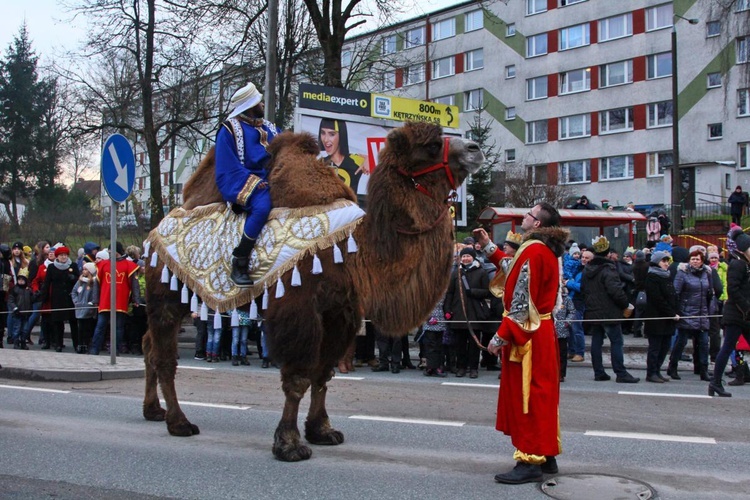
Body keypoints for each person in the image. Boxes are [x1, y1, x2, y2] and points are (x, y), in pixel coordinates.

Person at [477, 202, 567, 485]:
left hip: (529, 333)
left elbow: (521, 301)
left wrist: (500, 336)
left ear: (538, 224)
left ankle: (530, 460)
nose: (524, 217)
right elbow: (512, 269)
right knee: (541, 396)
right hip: (539, 331)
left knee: (529, 397)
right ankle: (546, 454)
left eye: (529, 214)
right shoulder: (539, 249)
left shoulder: (534, 250)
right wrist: (489, 247)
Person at [215, 81, 280, 287]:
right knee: (262, 206)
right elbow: (227, 166)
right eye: (259, 101)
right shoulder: (229, 130)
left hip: (277, 178)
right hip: (251, 181)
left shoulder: (271, 128)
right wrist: (255, 183)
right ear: (252, 105)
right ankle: (240, 259)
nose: (262, 104)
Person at [582, 236, 640, 384]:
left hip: (593, 310)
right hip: (609, 311)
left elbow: (584, 290)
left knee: (596, 341)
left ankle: (599, 371)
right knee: (616, 341)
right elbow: (615, 291)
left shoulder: (587, 269)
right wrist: (625, 304)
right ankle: (620, 372)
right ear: (608, 253)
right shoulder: (609, 268)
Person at [710, 229, 750, 397]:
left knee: (726, 348)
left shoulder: (745, 264)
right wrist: (747, 307)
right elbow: (732, 290)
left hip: (743, 314)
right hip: (736, 314)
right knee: (726, 348)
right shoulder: (738, 264)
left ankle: (715, 383)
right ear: (742, 249)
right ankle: (715, 383)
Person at [666, 249, 715, 381]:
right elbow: (676, 292)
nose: (695, 261)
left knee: (704, 343)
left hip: (702, 313)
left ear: (702, 261)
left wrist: (710, 309)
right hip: (686, 312)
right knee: (681, 341)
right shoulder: (683, 273)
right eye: (692, 259)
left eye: (697, 259)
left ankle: (703, 369)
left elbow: (710, 292)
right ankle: (672, 366)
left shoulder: (707, 273)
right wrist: (677, 311)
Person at [443, 247, 491, 379]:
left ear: (473, 257)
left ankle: (474, 368)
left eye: (468, 256)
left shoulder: (481, 272)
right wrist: (447, 310)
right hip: (458, 313)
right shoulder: (456, 273)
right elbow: (450, 293)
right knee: (460, 344)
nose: (465, 258)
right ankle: (461, 367)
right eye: (463, 256)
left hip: (474, 313)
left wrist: (473, 292)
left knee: (474, 344)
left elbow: (487, 291)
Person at [89, 242, 140, 355]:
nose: (110, 253)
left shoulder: (128, 265)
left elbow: (134, 284)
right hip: (105, 300)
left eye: (112, 251)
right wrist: (95, 300)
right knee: (100, 326)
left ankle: (115, 350)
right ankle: (94, 348)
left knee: (118, 327)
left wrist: (136, 299)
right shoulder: (103, 264)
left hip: (120, 301)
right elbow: (97, 284)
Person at [643, 251, 680, 383]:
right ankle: (651, 372)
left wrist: (676, 310)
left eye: (667, 261)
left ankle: (657, 370)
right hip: (657, 318)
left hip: (668, 319)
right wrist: (671, 313)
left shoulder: (667, 276)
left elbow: (673, 295)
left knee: (665, 346)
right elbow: (657, 299)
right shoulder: (652, 277)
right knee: (655, 347)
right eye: (663, 261)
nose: (666, 264)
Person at [318, 118, 369, 208]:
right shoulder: (320, 164)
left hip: (352, 215)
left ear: (341, 135)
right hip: (330, 215)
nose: (326, 139)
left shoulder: (355, 159)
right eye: (323, 133)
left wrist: (369, 161)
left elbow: (377, 159)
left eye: (332, 134)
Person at [41, 246, 80, 352]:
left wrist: (74, 278)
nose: (63, 257)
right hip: (57, 298)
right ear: (57, 256)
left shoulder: (73, 265)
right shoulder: (52, 267)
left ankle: (77, 344)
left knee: (73, 322)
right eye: (61, 255)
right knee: (58, 322)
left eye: (65, 255)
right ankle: (58, 343)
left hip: (70, 297)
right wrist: (44, 297)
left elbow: (79, 280)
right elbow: (47, 283)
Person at [71, 262, 98, 354]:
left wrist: (92, 302)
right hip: (79, 308)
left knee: (87, 327)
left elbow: (95, 294)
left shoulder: (94, 282)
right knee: (80, 328)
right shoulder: (80, 282)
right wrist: (76, 301)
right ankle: (80, 344)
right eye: (83, 269)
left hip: (88, 308)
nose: (84, 271)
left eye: (86, 269)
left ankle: (86, 344)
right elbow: (74, 292)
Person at [7, 268, 34, 349]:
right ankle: (16, 341)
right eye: (19, 280)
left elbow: (32, 300)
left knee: (25, 329)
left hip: (26, 313)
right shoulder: (14, 289)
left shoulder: (28, 290)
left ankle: (23, 342)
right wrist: (15, 308)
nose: (21, 281)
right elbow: (11, 300)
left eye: (23, 280)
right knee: (17, 328)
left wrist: (36, 295)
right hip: (17, 313)